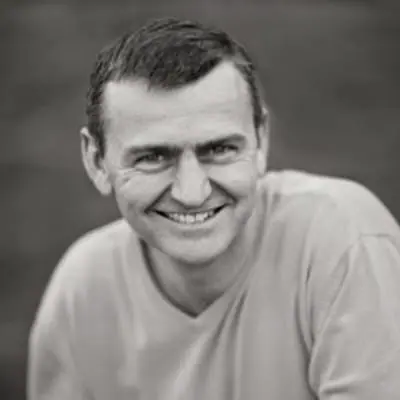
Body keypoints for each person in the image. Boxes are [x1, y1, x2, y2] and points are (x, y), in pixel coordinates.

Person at [27, 16, 400, 400]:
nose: (192, 193)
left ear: (261, 141)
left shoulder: (343, 241)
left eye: (219, 149)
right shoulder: (83, 290)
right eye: (153, 157)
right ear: (96, 161)